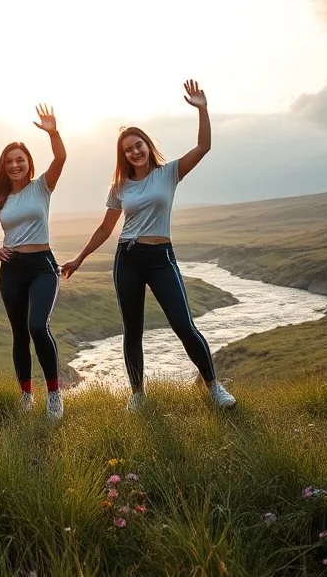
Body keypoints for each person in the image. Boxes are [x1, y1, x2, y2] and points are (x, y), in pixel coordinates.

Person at [61, 81, 236, 411]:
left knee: (184, 325)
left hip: (160, 257)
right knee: (133, 330)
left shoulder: (169, 173)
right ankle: (138, 394)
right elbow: (106, 227)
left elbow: (204, 146)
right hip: (127, 257)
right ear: (123, 155)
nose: (134, 151)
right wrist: (80, 258)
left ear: (147, 145)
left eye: (138, 145)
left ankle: (214, 387)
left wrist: (202, 108)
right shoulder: (119, 186)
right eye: (128, 149)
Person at [0, 104, 67, 420]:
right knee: (19, 334)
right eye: (9, 161)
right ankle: (26, 395)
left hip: (42, 266)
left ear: (28, 163)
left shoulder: (42, 186)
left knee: (38, 326)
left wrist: (53, 132)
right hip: (11, 269)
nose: (15, 165)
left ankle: (54, 396)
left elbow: (61, 158)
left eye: (20, 160)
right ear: (4, 166)